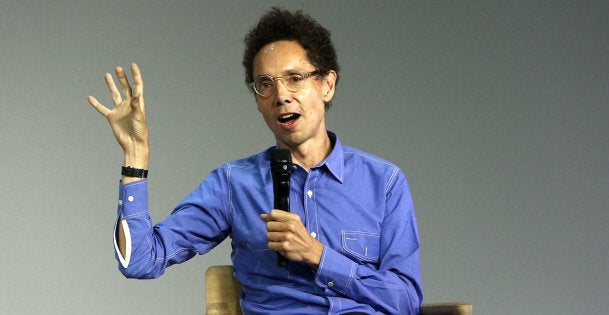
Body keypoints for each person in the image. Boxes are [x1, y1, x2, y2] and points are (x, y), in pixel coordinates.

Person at [88, 7, 422, 315]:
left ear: (327, 85)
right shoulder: (234, 184)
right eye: (265, 85)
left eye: (295, 78)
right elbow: (142, 260)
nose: (280, 96)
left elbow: (405, 299)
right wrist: (135, 158)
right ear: (258, 103)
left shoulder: (384, 182)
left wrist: (318, 256)